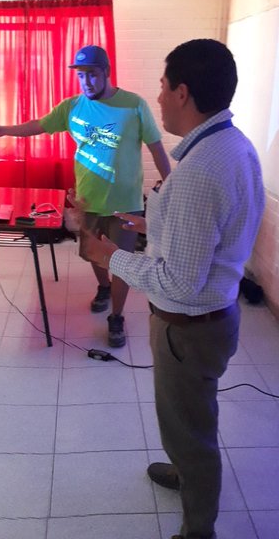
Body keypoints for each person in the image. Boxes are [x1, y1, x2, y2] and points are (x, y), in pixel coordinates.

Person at [83, 40, 262, 539]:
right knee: (191, 418)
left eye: (162, 88)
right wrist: (150, 222)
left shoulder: (199, 172)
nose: (157, 98)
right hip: (214, 317)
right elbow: (209, 231)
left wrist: (108, 255)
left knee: (191, 431)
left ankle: (197, 526)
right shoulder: (231, 144)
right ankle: (185, 471)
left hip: (189, 327)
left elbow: (177, 280)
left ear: (183, 92)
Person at [0, 45, 172, 347]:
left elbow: (156, 147)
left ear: (107, 73)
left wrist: (171, 189)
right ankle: (103, 287)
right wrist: (5, 130)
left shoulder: (134, 105)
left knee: (122, 262)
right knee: (93, 253)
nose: (86, 81)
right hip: (87, 200)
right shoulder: (72, 106)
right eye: (81, 75)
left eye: (92, 75)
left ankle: (117, 316)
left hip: (125, 203)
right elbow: (38, 125)